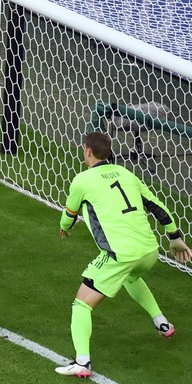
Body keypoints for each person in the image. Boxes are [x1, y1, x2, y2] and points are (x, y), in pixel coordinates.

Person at [56, 131, 192, 378]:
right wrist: (175, 236)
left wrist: (65, 228)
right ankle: (162, 323)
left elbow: (68, 215)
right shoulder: (127, 174)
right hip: (149, 251)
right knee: (131, 277)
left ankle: (82, 363)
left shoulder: (82, 181)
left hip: (121, 255)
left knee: (81, 303)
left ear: (87, 151)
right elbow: (156, 205)